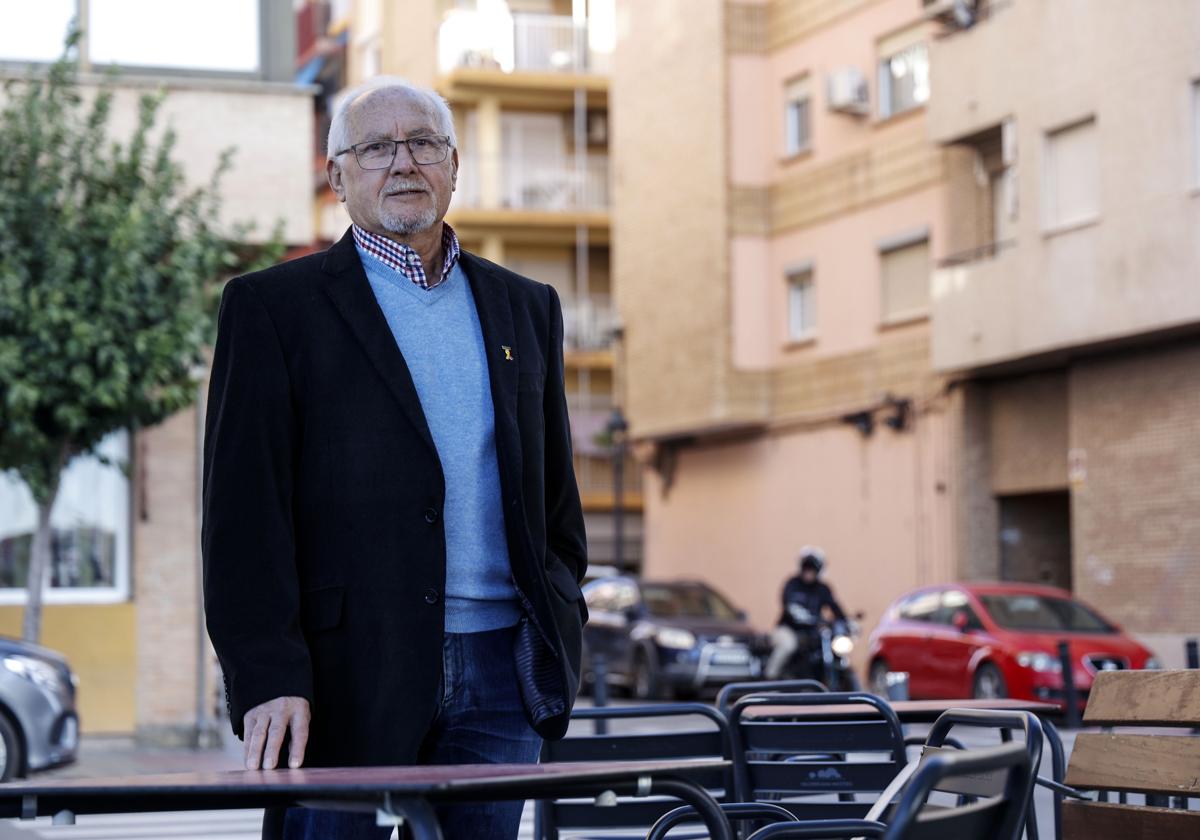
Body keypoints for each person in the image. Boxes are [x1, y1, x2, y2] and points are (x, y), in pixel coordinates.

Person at [201, 76, 588, 840]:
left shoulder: (527, 305)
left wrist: (560, 616)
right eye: (376, 147)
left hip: (501, 674)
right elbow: (244, 518)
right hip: (343, 673)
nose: (402, 162)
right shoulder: (272, 308)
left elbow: (555, 504)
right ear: (337, 177)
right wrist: (268, 675)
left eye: (423, 143)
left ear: (454, 165)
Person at [765, 547, 846, 680]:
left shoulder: (823, 588)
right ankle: (770, 678)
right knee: (788, 645)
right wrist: (798, 614)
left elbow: (835, 606)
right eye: (806, 569)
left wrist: (846, 621)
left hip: (813, 631)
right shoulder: (792, 584)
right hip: (788, 629)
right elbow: (787, 603)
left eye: (812, 570)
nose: (809, 573)